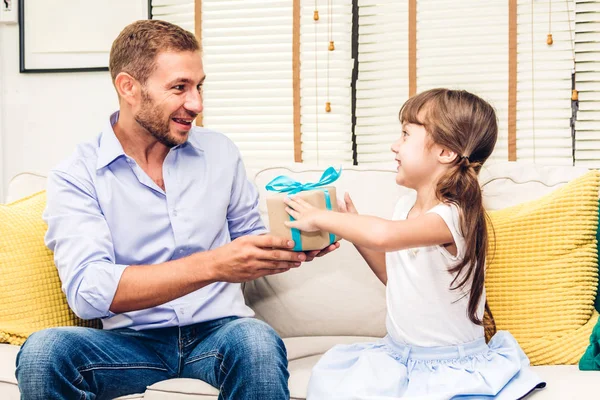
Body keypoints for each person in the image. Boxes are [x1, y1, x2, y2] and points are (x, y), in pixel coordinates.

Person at [15, 19, 338, 400]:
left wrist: (287, 247)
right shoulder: (77, 175)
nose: (196, 103)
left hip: (221, 332)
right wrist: (214, 265)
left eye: (199, 86)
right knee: (42, 353)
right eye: (179, 88)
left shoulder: (220, 153)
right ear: (128, 87)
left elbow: (249, 237)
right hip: (130, 342)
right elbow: (88, 291)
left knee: (257, 342)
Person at [283, 89, 546, 399]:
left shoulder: (453, 216)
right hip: (398, 356)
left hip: (447, 366)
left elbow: (383, 236)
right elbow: (395, 279)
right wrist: (352, 230)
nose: (395, 145)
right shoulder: (406, 207)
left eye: (406, 134)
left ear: (446, 152)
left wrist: (321, 218)